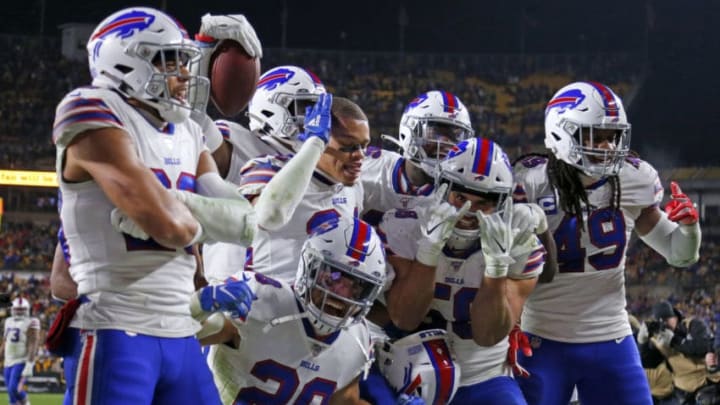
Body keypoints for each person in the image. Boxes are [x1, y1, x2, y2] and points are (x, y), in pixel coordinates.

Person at [52, 7, 258, 404]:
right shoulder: (90, 109)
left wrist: (188, 215)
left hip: (180, 331)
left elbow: (245, 222)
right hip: (117, 327)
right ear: (125, 59)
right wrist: (204, 217)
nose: (183, 74)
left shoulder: (188, 131)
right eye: (169, 61)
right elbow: (171, 228)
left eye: (184, 61)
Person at [513, 81, 702, 405]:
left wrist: (688, 230)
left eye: (612, 136)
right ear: (562, 133)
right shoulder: (529, 182)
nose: (606, 146)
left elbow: (679, 255)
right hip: (541, 338)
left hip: (611, 337)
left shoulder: (633, 179)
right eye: (594, 137)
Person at [379, 137, 548, 404]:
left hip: (485, 373)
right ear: (442, 188)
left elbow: (488, 335)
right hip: (411, 371)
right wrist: (428, 252)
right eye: (461, 197)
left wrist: (496, 268)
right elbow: (404, 318)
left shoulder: (519, 240)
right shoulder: (407, 225)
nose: (469, 212)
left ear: (502, 203)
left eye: (483, 203)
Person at [193, 217, 387, 404]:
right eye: (333, 276)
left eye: (357, 286)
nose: (341, 293)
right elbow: (182, 340)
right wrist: (199, 306)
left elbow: (346, 401)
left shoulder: (357, 339)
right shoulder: (259, 297)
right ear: (309, 267)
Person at [202, 64, 328, 283]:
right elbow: (204, 137)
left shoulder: (316, 158)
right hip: (231, 283)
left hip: (283, 287)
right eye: (306, 107)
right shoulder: (242, 144)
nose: (313, 117)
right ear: (271, 106)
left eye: (317, 109)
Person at [240, 94, 370, 283]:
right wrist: (315, 143)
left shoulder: (353, 188)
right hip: (269, 302)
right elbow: (269, 215)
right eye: (348, 146)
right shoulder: (270, 168)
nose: (360, 155)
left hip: (324, 303)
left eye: (364, 146)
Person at [638, 301, 717, 404]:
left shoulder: (693, 325)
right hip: (683, 388)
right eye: (661, 321)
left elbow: (705, 347)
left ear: (675, 317)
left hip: (707, 382)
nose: (665, 324)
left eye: (667, 319)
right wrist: (642, 343)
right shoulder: (659, 339)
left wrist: (674, 340)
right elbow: (649, 363)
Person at [1, 297, 40, 405]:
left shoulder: (32, 321)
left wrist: (30, 363)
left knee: (14, 388)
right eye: (17, 309)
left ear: (27, 310)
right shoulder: (8, 321)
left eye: (21, 309)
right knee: (10, 391)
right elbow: (5, 341)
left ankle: (26, 402)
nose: (19, 312)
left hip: (21, 360)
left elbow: (33, 343)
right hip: (8, 361)